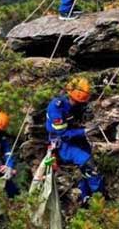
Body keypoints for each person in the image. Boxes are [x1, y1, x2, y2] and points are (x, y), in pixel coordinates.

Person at [45, 77, 105, 206]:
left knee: (86, 169)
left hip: (78, 139)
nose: (79, 104)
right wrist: (85, 131)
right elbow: (62, 134)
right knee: (88, 164)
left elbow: (79, 115)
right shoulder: (56, 108)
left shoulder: (78, 105)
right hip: (63, 144)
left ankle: (87, 197)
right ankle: (99, 199)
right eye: (77, 101)